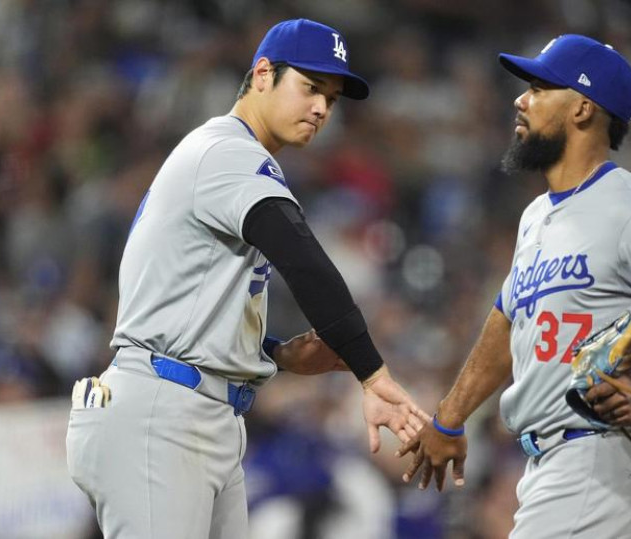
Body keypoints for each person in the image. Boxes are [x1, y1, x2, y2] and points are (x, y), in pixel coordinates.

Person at [66, 18, 425, 539]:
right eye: (310, 87)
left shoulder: (227, 159)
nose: (323, 108)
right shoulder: (226, 150)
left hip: (198, 412)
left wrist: (275, 355)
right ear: (262, 74)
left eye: (332, 97)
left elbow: (192, 298)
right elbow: (302, 259)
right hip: (161, 414)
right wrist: (371, 372)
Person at [398, 34, 631, 538]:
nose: (521, 99)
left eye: (540, 87)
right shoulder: (536, 215)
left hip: (601, 457)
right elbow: (507, 318)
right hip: (554, 465)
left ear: (583, 107)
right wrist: (449, 418)